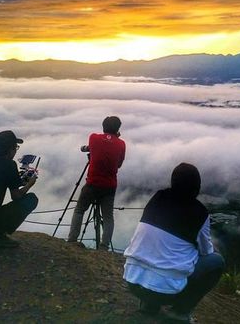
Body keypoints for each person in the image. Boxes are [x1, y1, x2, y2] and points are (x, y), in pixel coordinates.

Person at [123, 163, 225, 322]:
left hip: (133, 283)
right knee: (216, 261)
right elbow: (206, 252)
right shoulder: (200, 212)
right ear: (197, 187)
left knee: (159, 252)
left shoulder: (158, 197)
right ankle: (179, 312)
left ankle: (149, 306)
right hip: (167, 293)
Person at [67, 116, 126, 250]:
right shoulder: (121, 144)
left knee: (79, 210)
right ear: (117, 129)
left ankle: (71, 241)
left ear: (103, 127)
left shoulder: (93, 138)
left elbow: (95, 147)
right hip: (110, 186)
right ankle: (104, 247)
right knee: (108, 217)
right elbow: (119, 165)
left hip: (92, 183)